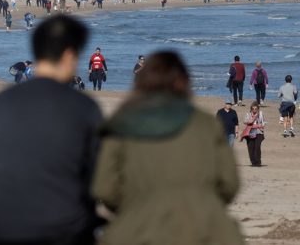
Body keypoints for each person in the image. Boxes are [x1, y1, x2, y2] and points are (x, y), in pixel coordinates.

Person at [92, 51, 242, 245]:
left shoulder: (121, 123)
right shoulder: (205, 124)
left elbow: (103, 188)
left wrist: (133, 205)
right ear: (183, 83)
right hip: (205, 229)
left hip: (136, 228)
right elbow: (230, 184)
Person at [0, 15, 102, 245]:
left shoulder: (1, 102)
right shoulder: (82, 107)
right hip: (58, 227)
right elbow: (95, 178)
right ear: (68, 55)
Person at [243, 101, 266, 167]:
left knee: (257, 147)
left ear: (258, 109)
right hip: (249, 133)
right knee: (250, 148)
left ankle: (258, 162)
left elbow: (263, 122)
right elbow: (245, 121)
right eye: (253, 109)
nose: (254, 110)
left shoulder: (261, 114)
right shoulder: (248, 114)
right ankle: (253, 162)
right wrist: (250, 122)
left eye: (256, 109)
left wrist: (261, 126)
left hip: (259, 132)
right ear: (251, 109)